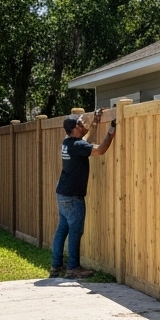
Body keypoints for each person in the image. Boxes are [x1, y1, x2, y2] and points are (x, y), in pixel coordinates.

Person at [50, 109, 117, 279]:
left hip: (63, 193)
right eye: (80, 124)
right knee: (75, 231)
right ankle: (73, 268)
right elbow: (100, 149)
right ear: (74, 129)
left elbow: (87, 141)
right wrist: (111, 131)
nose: (82, 126)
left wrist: (95, 122)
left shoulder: (68, 142)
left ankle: (56, 266)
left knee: (62, 229)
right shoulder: (76, 145)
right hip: (73, 197)